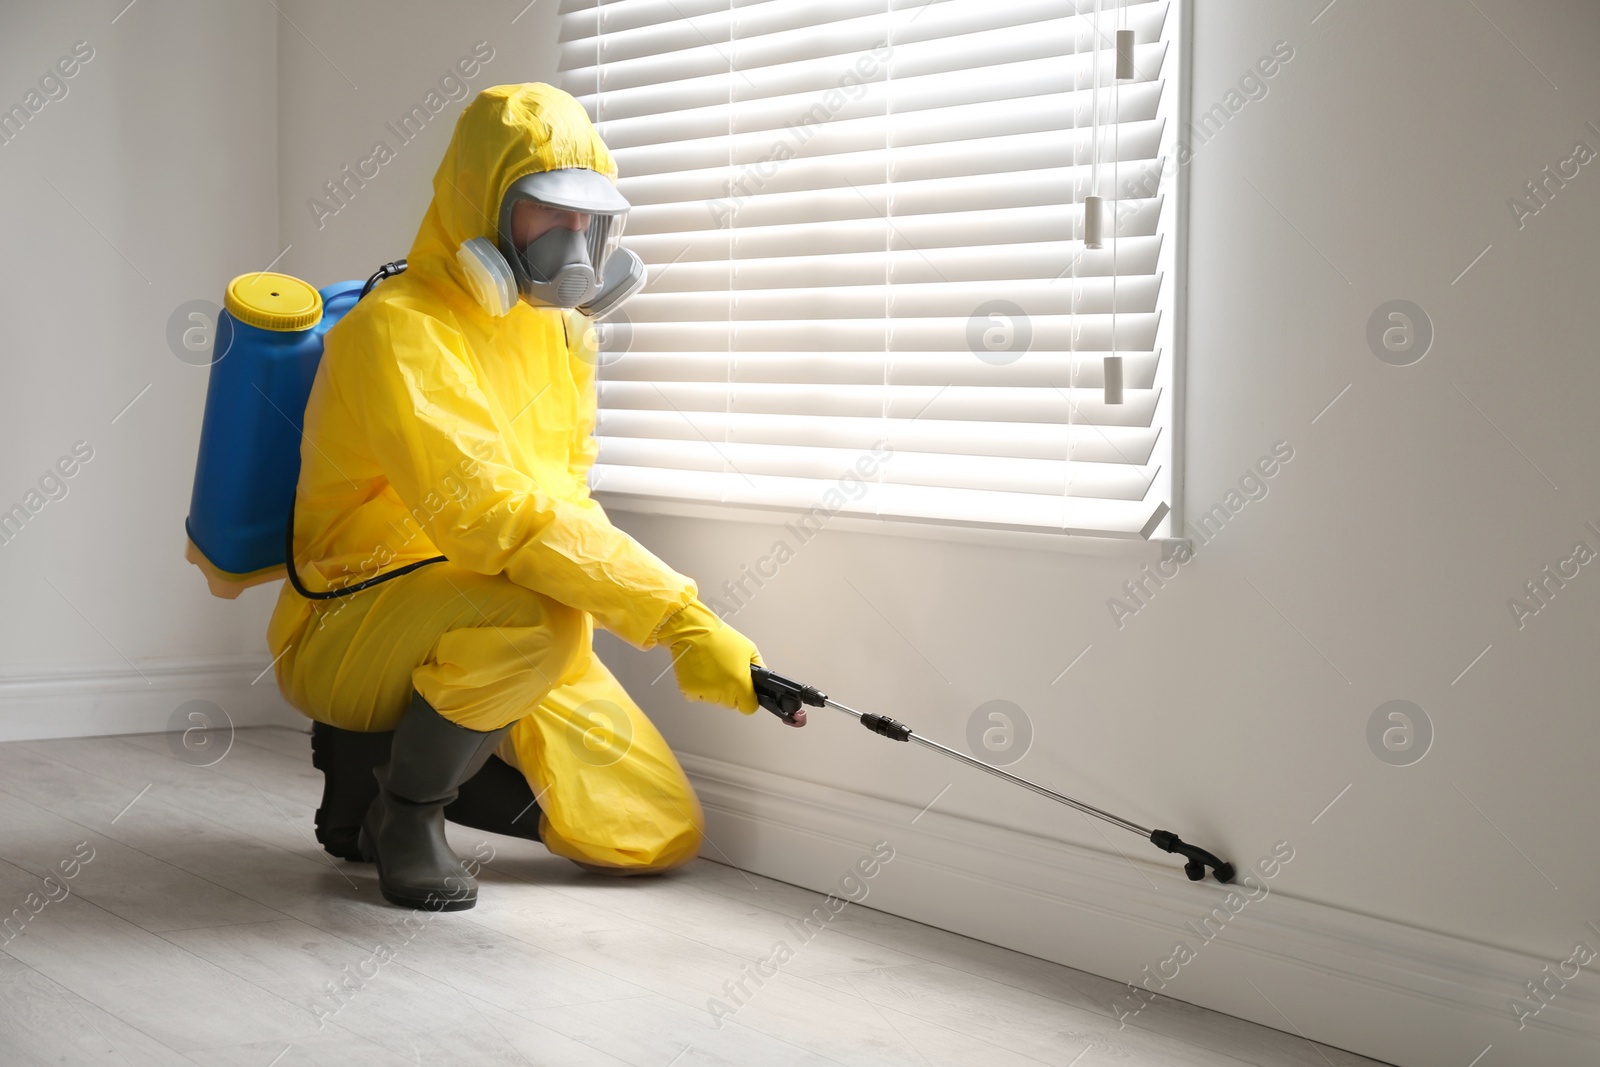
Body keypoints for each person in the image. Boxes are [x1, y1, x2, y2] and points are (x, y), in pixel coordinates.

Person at [265, 83, 803, 913]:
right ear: (485, 202)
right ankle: (410, 814)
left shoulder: (560, 330)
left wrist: (668, 619)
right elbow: (492, 516)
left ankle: (376, 778)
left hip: (491, 608)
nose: (576, 241)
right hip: (351, 614)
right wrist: (679, 618)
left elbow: (565, 502)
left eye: (592, 220)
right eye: (551, 214)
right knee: (542, 624)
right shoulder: (398, 329)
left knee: (647, 829)